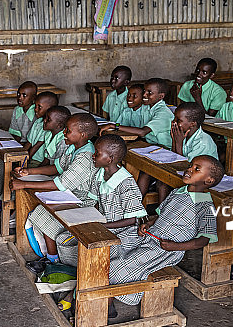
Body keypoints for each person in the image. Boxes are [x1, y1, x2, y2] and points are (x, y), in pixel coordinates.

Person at [108, 156, 222, 307]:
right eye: (190, 165)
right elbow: (161, 216)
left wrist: (175, 246)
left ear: (208, 180)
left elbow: (204, 240)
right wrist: (148, 224)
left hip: (165, 249)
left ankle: (108, 303)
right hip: (151, 235)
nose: (189, 169)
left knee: (122, 265)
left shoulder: (205, 206)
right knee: (113, 244)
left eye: (196, 169)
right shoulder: (178, 192)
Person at [12, 114, 99, 274]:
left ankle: (54, 261)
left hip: (83, 200)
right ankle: (51, 258)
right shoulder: (74, 147)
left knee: (47, 216)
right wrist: (29, 172)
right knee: (41, 212)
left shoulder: (85, 157)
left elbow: (60, 184)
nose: (64, 132)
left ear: (82, 135)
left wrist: (24, 184)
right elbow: (58, 168)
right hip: (71, 194)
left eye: (68, 130)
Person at [55, 135, 148, 267]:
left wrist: (103, 226)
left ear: (110, 159)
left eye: (97, 153)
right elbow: (96, 202)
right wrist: (87, 218)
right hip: (103, 225)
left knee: (93, 251)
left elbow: (134, 219)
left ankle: (88, 271)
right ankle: (79, 270)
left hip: (123, 232)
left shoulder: (126, 183)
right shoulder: (99, 175)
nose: (93, 156)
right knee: (63, 239)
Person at [118, 78, 175, 196]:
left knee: (144, 171)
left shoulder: (163, 113)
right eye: (144, 91)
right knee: (128, 158)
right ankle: (131, 200)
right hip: (151, 147)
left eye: (149, 93)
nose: (144, 95)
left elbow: (143, 132)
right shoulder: (148, 108)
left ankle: (136, 202)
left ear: (161, 96)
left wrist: (115, 126)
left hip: (166, 151)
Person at [157, 102, 219, 202]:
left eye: (178, 120)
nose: (173, 122)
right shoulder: (183, 134)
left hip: (201, 180)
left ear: (192, 124)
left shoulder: (202, 142)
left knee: (163, 184)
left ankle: (167, 210)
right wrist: (175, 140)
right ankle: (164, 211)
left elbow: (183, 166)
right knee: (161, 182)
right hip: (186, 174)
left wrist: (178, 143)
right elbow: (175, 159)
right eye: (174, 118)